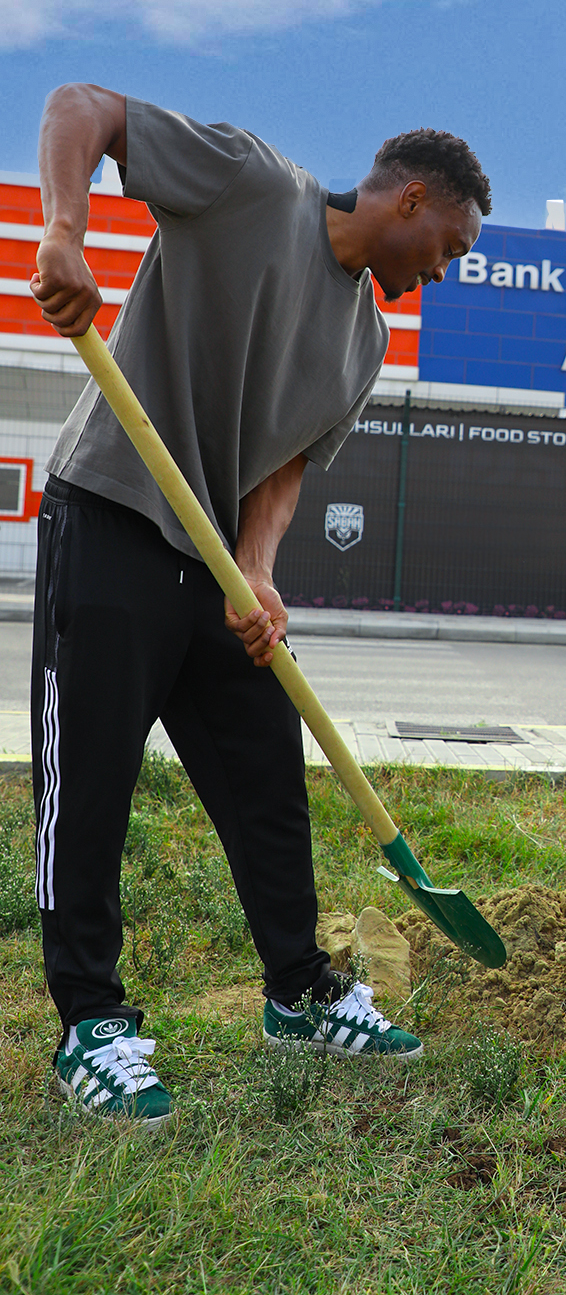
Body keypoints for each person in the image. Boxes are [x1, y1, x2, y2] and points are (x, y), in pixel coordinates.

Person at [30, 83, 491, 1127]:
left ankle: (300, 993)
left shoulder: (364, 341)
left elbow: (282, 469)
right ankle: (90, 1025)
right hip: (112, 510)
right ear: (411, 199)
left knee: (266, 783)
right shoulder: (251, 183)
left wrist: (261, 568)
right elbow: (82, 108)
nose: (443, 270)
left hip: (215, 569)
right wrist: (65, 230)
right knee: (91, 786)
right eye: (450, 246)